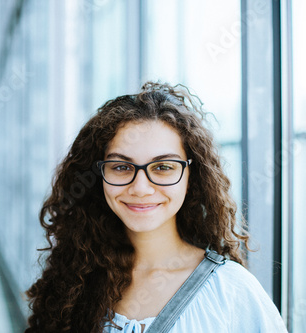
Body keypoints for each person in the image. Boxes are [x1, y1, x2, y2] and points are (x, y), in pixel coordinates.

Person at [24, 82, 287, 333]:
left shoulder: (231, 291)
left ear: (191, 176)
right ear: (97, 176)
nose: (140, 188)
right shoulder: (74, 278)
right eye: (121, 166)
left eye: (163, 167)